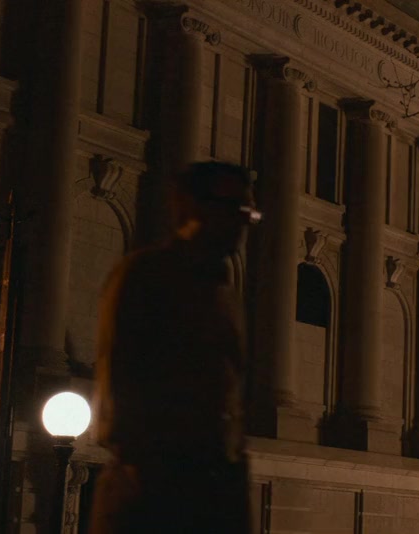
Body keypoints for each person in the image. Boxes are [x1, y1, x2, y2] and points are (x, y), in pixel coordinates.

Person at [88, 161, 261, 533]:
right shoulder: (146, 276)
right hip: (159, 491)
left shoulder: (225, 292)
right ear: (192, 206)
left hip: (214, 489)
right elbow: (121, 382)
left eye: (249, 213)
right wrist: (151, 472)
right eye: (235, 209)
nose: (243, 223)